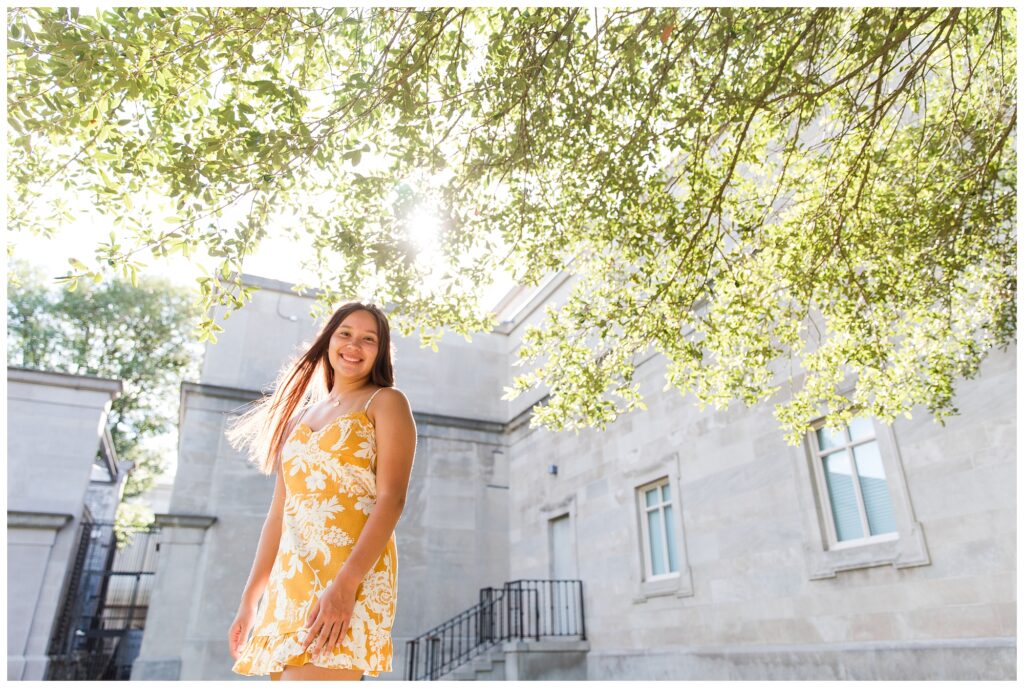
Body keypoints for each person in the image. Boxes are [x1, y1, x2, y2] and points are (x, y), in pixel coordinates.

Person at [226, 302, 416, 680]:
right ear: (328, 340)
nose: (354, 345)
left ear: (381, 351)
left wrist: (345, 586)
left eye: (368, 339)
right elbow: (278, 514)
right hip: (289, 583)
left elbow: (391, 499)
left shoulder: (386, 402)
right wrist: (250, 600)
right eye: (345, 333)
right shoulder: (299, 418)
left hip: (347, 577)